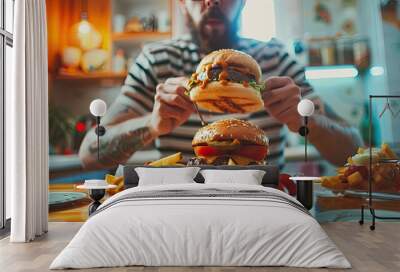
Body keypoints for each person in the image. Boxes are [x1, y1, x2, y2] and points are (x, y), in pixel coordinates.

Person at [79, 0, 363, 169]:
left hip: (263, 205)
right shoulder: (156, 60)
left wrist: (307, 120)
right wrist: (152, 124)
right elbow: (92, 153)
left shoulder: (276, 59)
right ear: (180, 3)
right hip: (180, 205)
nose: (212, 1)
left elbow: (353, 151)